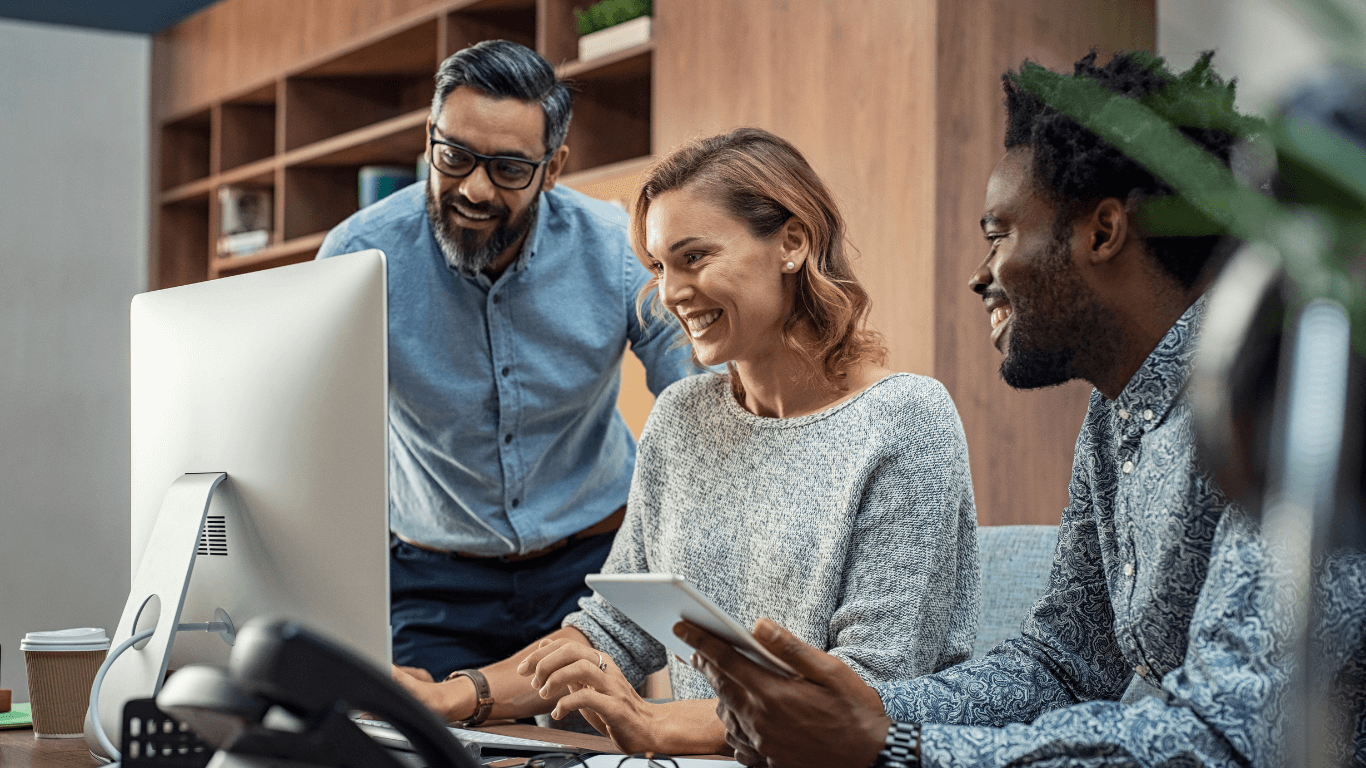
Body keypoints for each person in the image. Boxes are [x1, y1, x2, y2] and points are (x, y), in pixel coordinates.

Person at [678, 51, 1366, 766]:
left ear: (1102, 232)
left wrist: (894, 747)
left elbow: (1228, 737)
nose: (980, 276)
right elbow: (1064, 665)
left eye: (998, 234)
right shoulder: (1114, 418)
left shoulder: (1281, 391)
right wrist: (856, 708)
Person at [392, 127, 980, 756]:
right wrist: (458, 695)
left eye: (694, 257)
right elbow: (611, 631)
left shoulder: (908, 419)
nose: (670, 294)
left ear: (792, 243)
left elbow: (867, 691)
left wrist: (659, 722)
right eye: (659, 267)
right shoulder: (680, 417)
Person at [315, 39, 696, 681]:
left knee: (590, 747)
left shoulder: (613, 250)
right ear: (429, 136)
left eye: (510, 169)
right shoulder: (358, 258)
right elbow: (314, 432)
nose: (473, 188)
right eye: (455, 156)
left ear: (553, 168)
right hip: (434, 583)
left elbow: (698, 397)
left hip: (593, 571)